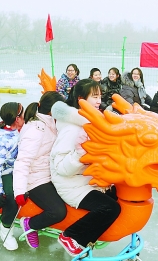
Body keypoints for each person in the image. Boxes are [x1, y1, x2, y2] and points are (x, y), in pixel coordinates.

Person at [50, 79, 121, 257]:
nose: (99, 101)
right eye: (94, 97)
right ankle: (72, 236)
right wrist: (82, 153)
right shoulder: (72, 129)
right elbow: (61, 168)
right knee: (110, 208)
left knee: (117, 194)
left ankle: (90, 237)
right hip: (70, 184)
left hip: (85, 179)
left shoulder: (90, 123)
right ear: (81, 99)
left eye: (100, 96)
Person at [13, 91, 67, 249]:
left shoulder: (50, 124)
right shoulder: (35, 129)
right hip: (35, 180)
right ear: (53, 110)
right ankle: (31, 224)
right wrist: (19, 191)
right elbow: (23, 161)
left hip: (49, 174)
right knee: (58, 212)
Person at [0, 102, 25, 251]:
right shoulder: (2, 140)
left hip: (21, 169)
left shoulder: (22, 130)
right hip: (5, 172)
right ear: (17, 118)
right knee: (12, 196)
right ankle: (6, 228)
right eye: (23, 114)